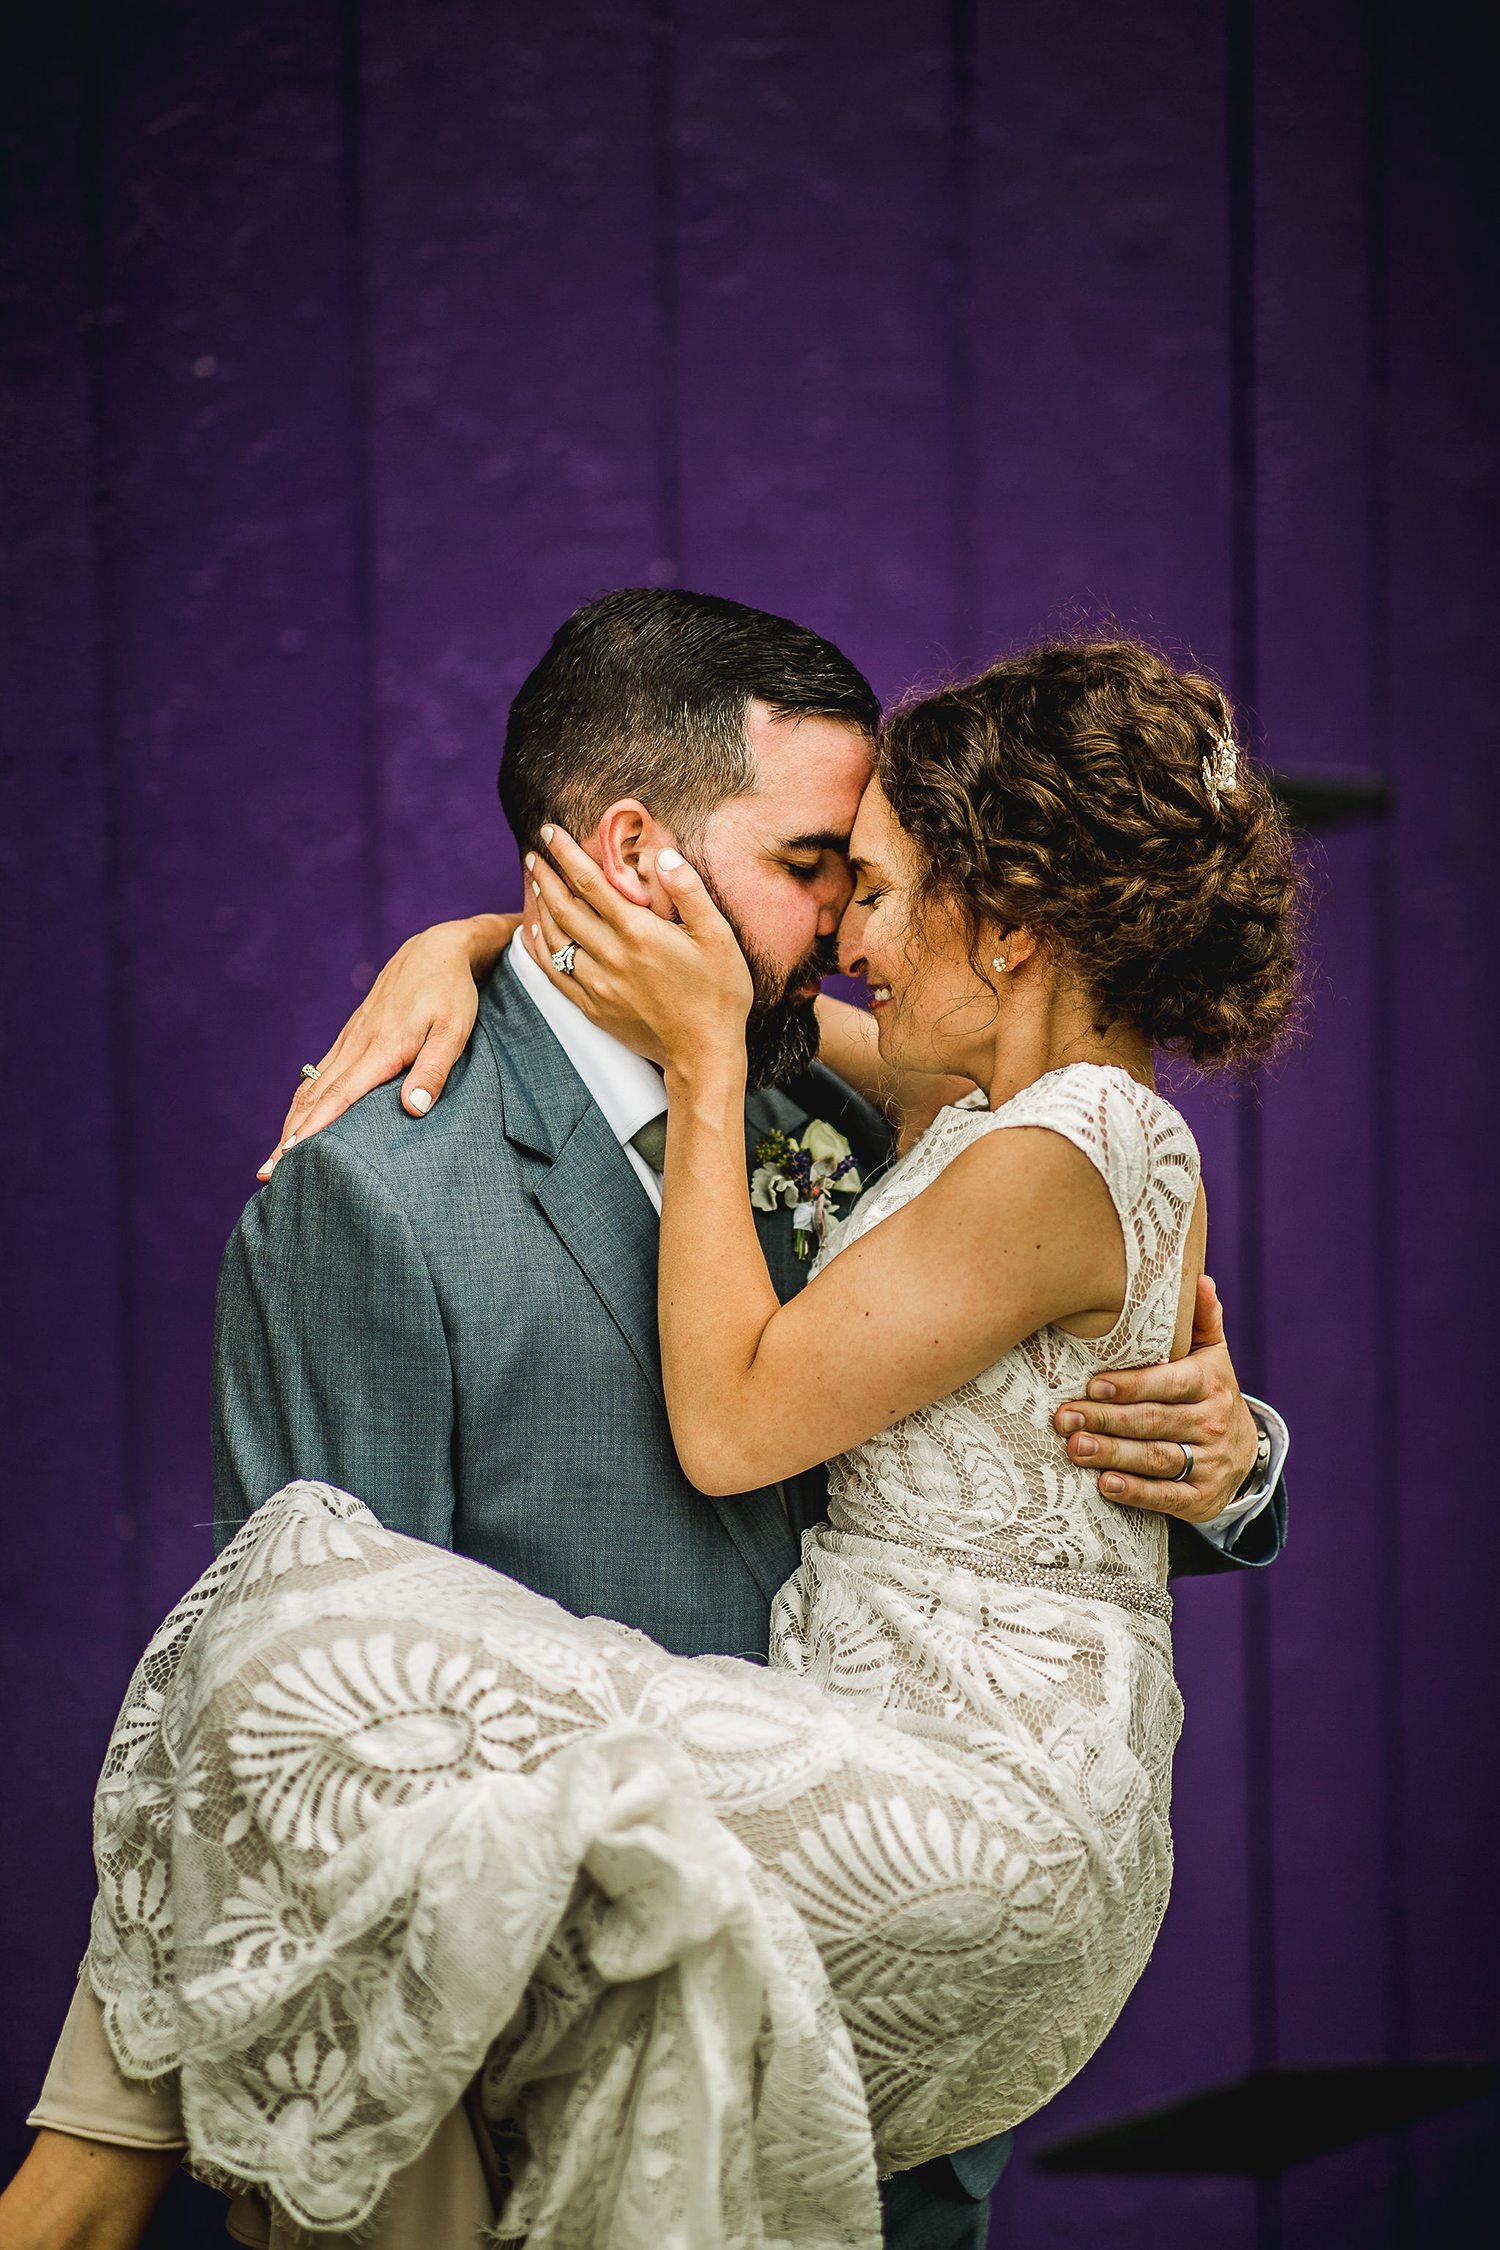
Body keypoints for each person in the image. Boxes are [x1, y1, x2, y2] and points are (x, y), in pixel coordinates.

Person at [6, 602, 1291, 2250]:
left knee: (286, 1638)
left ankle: (75, 2176)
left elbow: (931, 1412)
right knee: (304, 1638)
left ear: (1013, 917)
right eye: (820, 865)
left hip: (895, 1990)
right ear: (629, 852)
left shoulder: (866, 1100)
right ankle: (83, 2174)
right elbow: (336, 1787)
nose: (846, 932)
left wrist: (1237, 1458)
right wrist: (481, 939)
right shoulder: (382, 1201)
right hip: (556, 2120)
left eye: (871, 882)